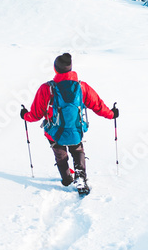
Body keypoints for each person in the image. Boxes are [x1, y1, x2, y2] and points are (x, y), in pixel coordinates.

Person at [20, 53, 118, 195]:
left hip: (54, 132)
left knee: (60, 154)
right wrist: (112, 114)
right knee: (77, 150)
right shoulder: (82, 87)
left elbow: (36, 114)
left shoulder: (46, 89)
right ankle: (80, 177)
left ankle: (66, 179)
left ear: (55, 69)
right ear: (71, 69)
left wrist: (25, 115)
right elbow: (98, 105)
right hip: (75, 129)